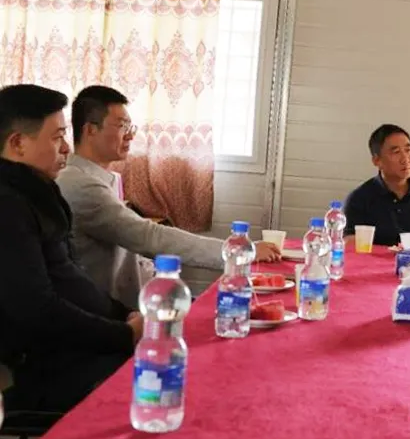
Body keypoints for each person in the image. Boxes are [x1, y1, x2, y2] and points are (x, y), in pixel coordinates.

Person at [56, 86, 280, 309]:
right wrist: (237, 252)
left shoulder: (105, 177)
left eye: (130, 126)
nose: (130, 135)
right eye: (122, 126)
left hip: (137, 298)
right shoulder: (81, 185)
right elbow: (148, 237)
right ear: (90, 130)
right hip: (110, 312)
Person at [0, 84, 142, 412]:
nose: (66, 147)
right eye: (57, 137)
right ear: (18, 143)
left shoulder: (38, 190)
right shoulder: (8, 206)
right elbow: (38, 310)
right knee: (158, 377)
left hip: (74, 345)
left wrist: (124, 314)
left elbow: (73, 277)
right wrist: (123, 335)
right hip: (43, 365)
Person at [343, 124, 410, 246]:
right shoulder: (359, 198)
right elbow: (350, 244)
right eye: (396, 152)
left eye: (408, 150)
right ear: (377, 160)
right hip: (375, 259)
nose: (405, 159)